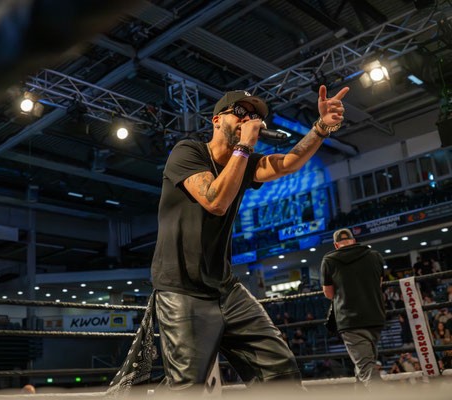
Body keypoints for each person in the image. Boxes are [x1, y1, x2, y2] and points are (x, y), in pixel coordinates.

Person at [151, 85, 348, 390]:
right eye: (240, 112)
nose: (248, 119)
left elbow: (289, 162)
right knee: (187, 386)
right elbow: (215, 201)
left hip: (225, 288)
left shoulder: (244, 162)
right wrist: (244, 145)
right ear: (217, 120)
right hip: (181, 289)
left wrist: (321, 127)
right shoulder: (188, 152)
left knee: (280, 369)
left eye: (255, 116)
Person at [320, 228, 385, 390]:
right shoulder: (374, 255)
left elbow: (329, 294)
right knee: (364, 363)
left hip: (350, 320)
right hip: (375, 315)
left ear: (336, 245)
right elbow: (379, 283)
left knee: (365, 367)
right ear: (353, 241)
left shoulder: (329, 260)